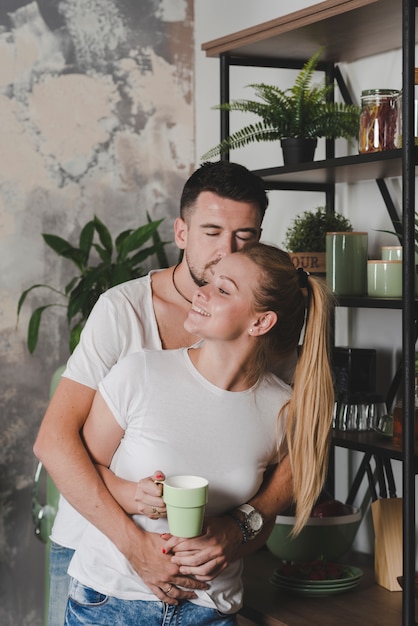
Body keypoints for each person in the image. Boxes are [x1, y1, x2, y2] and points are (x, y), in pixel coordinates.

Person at [33, 161, 296, 626]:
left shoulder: (258, 330)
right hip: (99, 550)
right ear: (181, 231)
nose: (225, 251)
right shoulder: (123, 311)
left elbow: (290, 461)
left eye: (245, 236)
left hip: (203, 592)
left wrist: (237, 529)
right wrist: (136, 545)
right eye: (212, 231)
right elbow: (55, 441)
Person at [64, 242, 334, 625]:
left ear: (260, 322)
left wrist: (234, 538)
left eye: (223, 289)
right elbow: (84, 471)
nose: (200, 292)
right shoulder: (139, 373)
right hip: (109, 601)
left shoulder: (283, 409)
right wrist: (132, 495)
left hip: (210, 610)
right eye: (207, 281)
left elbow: (263, 518)